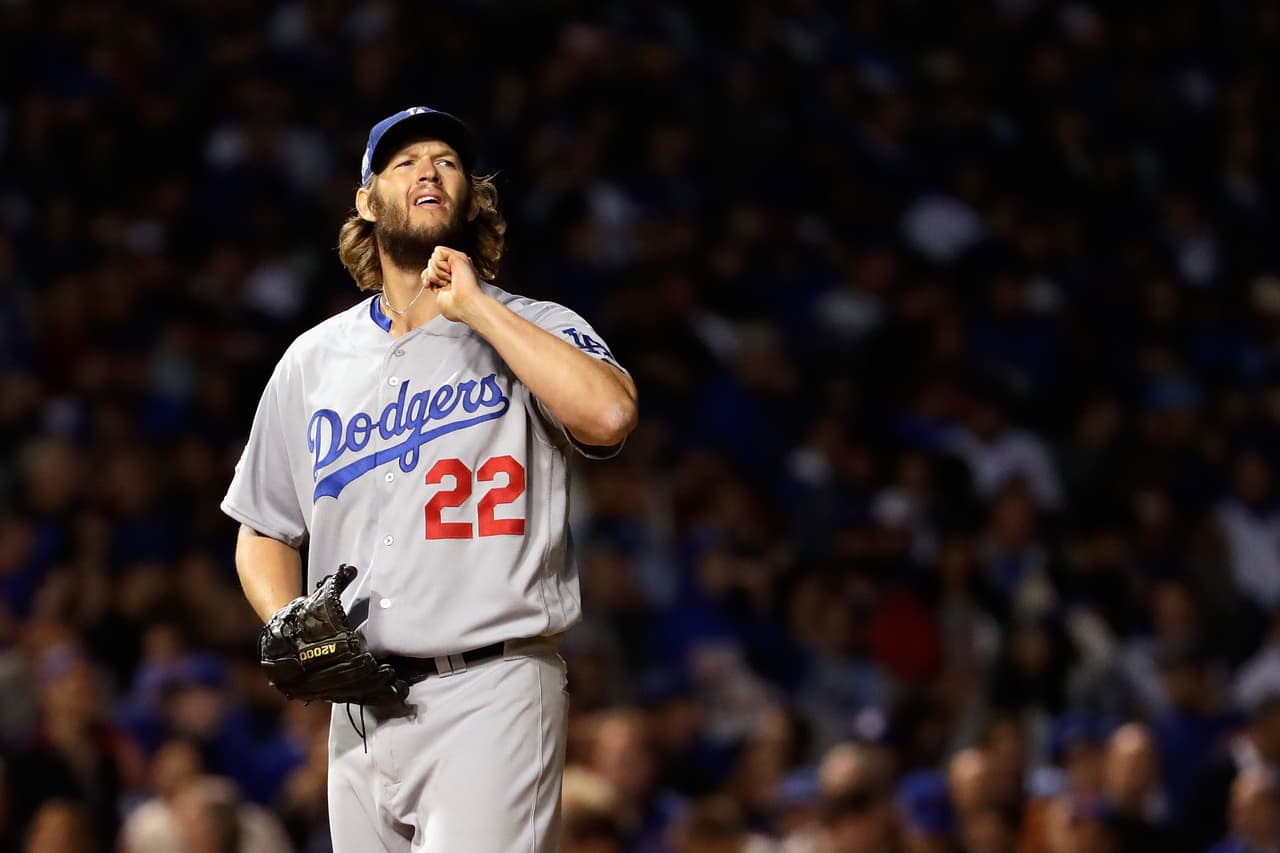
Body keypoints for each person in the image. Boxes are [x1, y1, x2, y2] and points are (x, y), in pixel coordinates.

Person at [220, 106, 638, 852]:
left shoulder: (530, 324)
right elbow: (263, 527)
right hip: (357, 704)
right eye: (404, 162)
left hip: (491, 685)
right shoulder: (314, 358)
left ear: (472, 200)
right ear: (366, 201)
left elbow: (608, 413)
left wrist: (475, 306)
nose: (427, 172)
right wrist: (285, 617)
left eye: (446, 161)